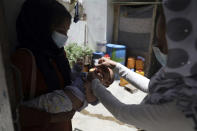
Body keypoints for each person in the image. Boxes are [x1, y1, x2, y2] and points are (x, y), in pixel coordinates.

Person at [85, 0, 197, 130]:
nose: (158, 49)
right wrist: (116, 67)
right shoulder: (184, 74)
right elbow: (149, 86)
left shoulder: (186, 107)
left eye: (162, 44)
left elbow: (123, 112)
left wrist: (95, 84)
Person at [11, 0, 74, 130]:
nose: (65, 37)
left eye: (67, 31)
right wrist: (52, 118)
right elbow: (10, 111)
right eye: (61, 31)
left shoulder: (59, 56)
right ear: (41, 27)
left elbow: (68, 88)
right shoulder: (24, 60)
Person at [22, 66, 114, 113]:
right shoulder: (85, 75)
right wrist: (77, 69)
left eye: (103, 74)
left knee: (44, 104)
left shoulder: (99, 91)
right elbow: (72, 76)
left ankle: (22, 108)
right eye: (100, 68)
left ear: (106, 84)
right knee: (44, 99)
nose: (100, 71)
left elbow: (90, 99)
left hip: (67, 102)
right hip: (63, 93)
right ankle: (24, 106)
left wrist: (88, 86)